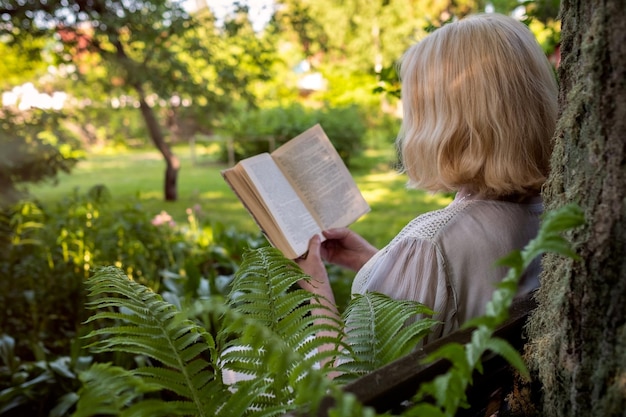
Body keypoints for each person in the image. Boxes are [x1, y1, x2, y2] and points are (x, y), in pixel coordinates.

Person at [296, 13, 558, 347]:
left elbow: (347, 387)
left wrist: (315, 286)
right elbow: (461, 288)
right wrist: (372, 261)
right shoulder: (554, 214)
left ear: (442, 122)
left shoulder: (432, 242)